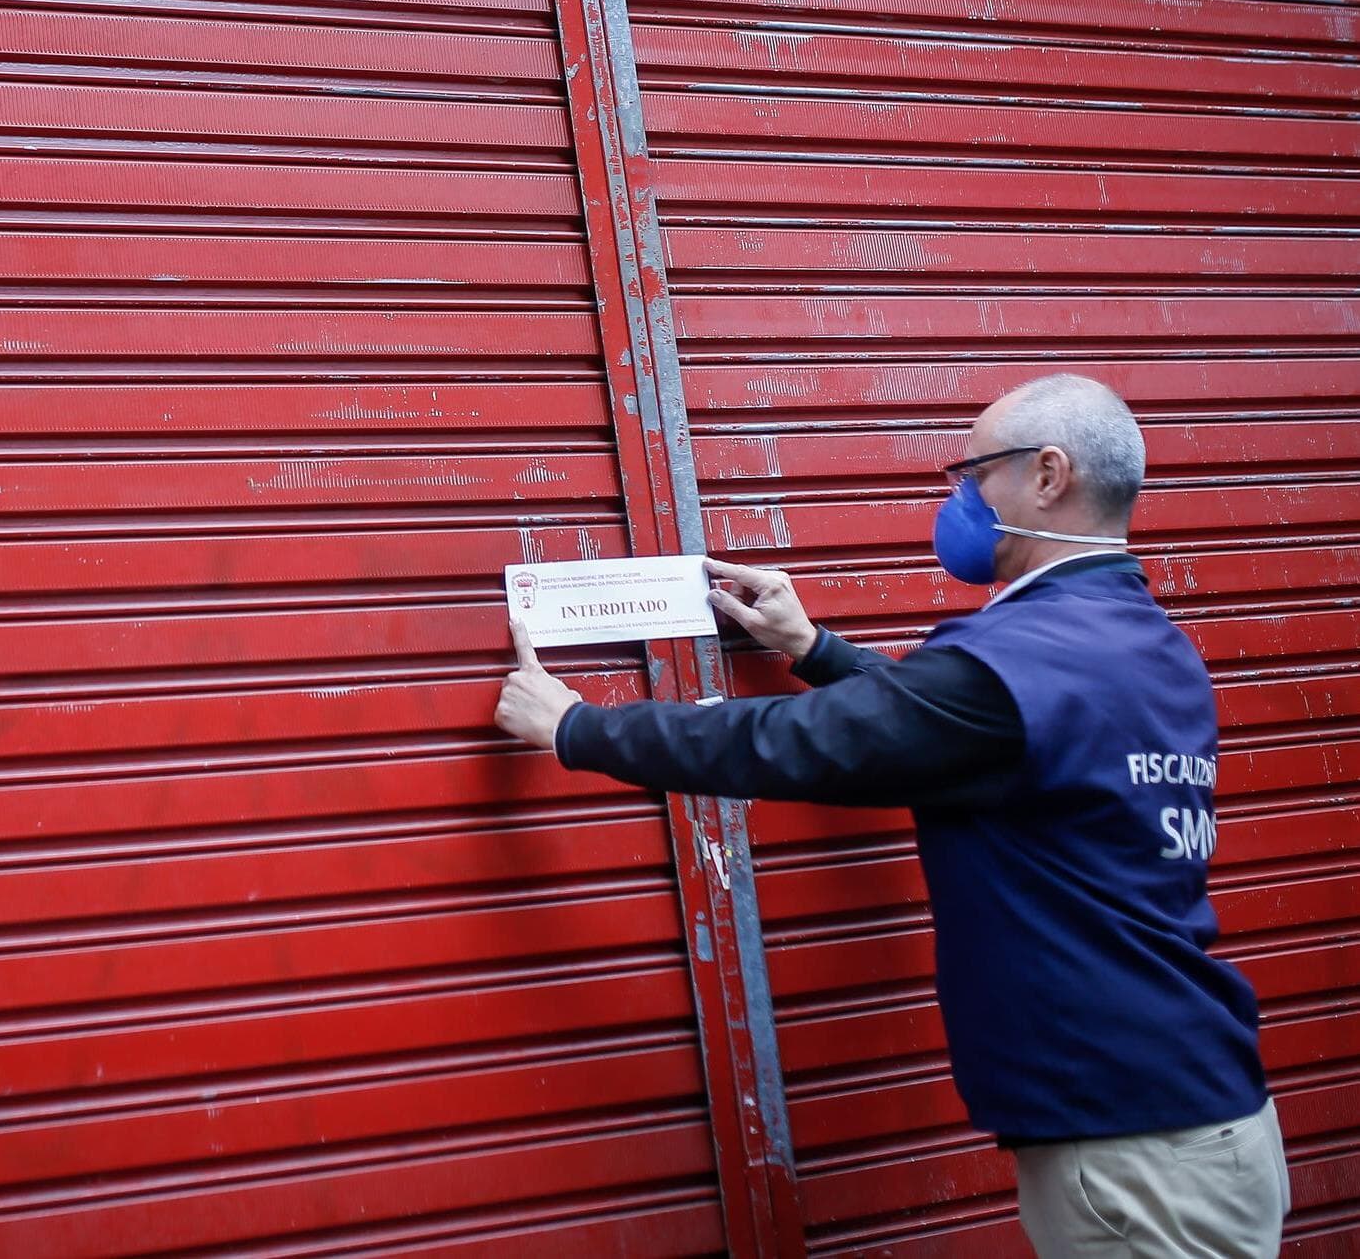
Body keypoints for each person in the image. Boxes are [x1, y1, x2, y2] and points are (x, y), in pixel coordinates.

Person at [494, 374, 1288, 1258]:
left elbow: (788, 744)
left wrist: (577, 727)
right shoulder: (1142, 644)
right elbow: (958, 728)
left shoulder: (1017, 659)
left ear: (1048, 475)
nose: (959, 496)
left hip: (1133, 1157)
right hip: (1206, 1117)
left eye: (973, 470)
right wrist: (815, 649)